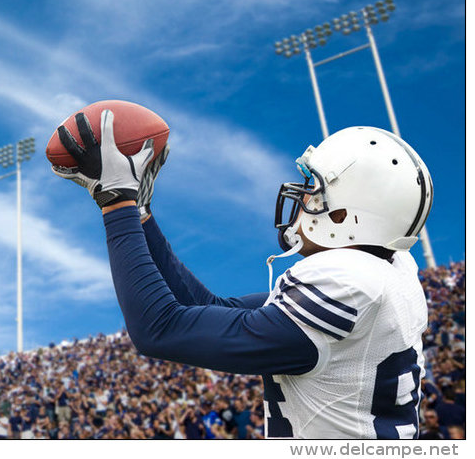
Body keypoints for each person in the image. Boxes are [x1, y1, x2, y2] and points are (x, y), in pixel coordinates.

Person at [52, 109, 433, 439]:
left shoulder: (345, 286)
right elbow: (210, 306)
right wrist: (140, 212)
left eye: (313, 191)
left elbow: (158, 329)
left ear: (341, 217)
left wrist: (117, 202)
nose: (301, 197)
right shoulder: (387, 271)